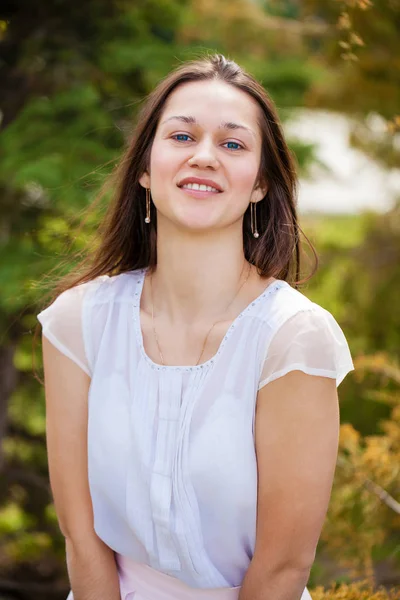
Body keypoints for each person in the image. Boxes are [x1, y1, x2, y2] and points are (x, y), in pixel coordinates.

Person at [37, 53, 354, 600]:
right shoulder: (77, 322)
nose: (204, 157)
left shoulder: (293, 338)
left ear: (259, 185)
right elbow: (81, 541)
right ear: (144, 168)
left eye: (232, 145)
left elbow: (282, 569)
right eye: (182, 137)